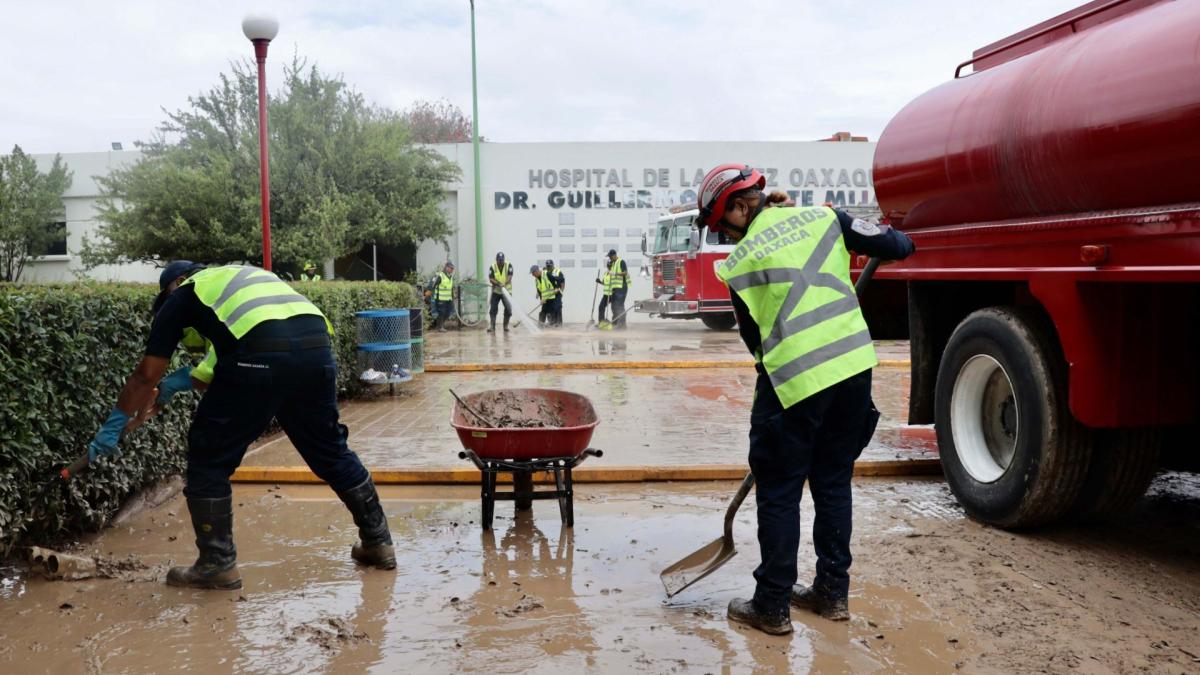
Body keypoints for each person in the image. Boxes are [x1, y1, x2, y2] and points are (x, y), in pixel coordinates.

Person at [697, 164, 914, 635]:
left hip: (791, 383)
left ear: (739, 206)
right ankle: (833, 594)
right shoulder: (825, 217)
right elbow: (898, 246)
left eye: (722, 224)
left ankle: (772, 606)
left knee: (780, 493)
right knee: (833, 483)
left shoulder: (739, 263)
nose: (724, 236)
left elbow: (756, 345)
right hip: (854, 370)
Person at [86, 261, 395, 591]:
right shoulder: (238, 281)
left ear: (176, 282)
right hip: (316, 354)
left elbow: (146, 375)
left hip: (260, 356)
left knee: (208, 457)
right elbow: (230, 366)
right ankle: (378, 542)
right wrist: (175, 385)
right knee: (331, 451)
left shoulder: (183, 295)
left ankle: (216, 564)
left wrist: (114, 424)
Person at [487, 252, 514, 333]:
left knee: (508, 309)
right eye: (499, 260)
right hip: (496, 291)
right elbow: (491, 278)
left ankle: (505, 326)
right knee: (493, 309)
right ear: (496, 260)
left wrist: (504, 283)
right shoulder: (492, 267)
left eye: (502, 260)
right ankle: (492, 326)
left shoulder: (509, 265)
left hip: (506, 291)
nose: (500, 262)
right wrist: (498, 283)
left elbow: (510, 276)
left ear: (504, 260)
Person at [605, 249, 630, 330]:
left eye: (610, 257)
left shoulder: (621, 261)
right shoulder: (614, 263)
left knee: (619, 306)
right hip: (616, 288)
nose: (609, 258)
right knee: (614, 306)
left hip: (622, 287)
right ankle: (616, 323)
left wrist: (614, 273)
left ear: (614, 255)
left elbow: (625, 273)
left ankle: (622, 325)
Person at [428, 261, 456, 332]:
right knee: (441, 313)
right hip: (440, 298)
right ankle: (440, 327)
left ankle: (439, 326)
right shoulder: (440, 275)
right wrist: (429, 292)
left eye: (452, 268)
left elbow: (451, 288)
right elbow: (432, 284)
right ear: (446, 267)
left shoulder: (451, 277)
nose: (452, 270)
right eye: (450, 268)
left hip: (448, 299)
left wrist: (453, 296)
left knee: (448, 313)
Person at [544, 259, 565, 326]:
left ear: (553, 265)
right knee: (549, 309)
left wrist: (561, 291)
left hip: (557, 292)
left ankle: (559, 323)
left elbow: (562, 281)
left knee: (557, 307)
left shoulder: (558, 271)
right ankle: (551, 322)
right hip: (548, 294)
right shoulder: (544, 272)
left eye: (550, 266)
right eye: (548, 266)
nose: (549, 267)